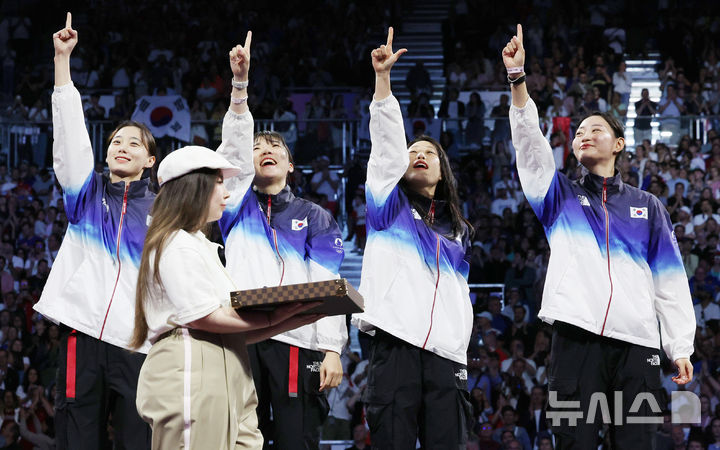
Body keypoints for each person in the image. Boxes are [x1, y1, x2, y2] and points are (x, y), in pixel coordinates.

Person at [502, 24, 695, 449]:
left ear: (620, 144)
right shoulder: (559, 196)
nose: (584, 135)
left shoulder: (649, 206)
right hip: (575, 342)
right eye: (579, 132)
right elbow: (530, 148)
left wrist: (679, 345)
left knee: (637, 443)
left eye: (596, 130)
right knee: (573, 442)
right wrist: (518, 80)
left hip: (638, 346)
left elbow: (670, 280)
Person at [130, 144, 322, 449]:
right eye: (218, 183)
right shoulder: (174, 242)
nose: (227, 193)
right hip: (191, 362)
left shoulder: (198, 244)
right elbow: (204, 317)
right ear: (194, 189)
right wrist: (276, 314)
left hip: (228, 363)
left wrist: (290, 319)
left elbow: (228, 329)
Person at [215, 34, 347, 450]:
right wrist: (240, 87)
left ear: (291, 165)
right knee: (237, 438)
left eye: (274, 146)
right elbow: (233, 150)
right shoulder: (233, 206)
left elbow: (328, 284)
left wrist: (331, 349)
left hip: (298, 337)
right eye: (257, 147)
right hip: (241, 336)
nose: (264, 150)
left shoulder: (315, 215)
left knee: (297, 439)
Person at [32, 13, 157, 449]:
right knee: (75, 438)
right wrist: (61, 62)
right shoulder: (86, 195)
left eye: (133, 143)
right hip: (81, 334)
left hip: (138, 343)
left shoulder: (164, 212)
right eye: (115, 142)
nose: (121, 147)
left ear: (150, 161)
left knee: (137, 439)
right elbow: (69, 141)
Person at [351, 28, 474, 449]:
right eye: (413, 151)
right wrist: (382, 82)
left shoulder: (457, 230)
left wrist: (459, 344)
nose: (418, 155)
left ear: (443, 172)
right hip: (396, 345)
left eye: (430, 153)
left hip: (446, 354)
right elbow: (386, 148)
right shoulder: (388, 206)